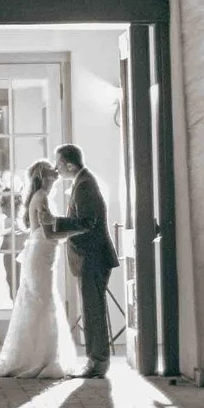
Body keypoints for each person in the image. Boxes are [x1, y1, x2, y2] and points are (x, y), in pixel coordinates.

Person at [0, 161, 80, 378]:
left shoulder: (40, 196)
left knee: (41, 301)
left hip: (43, 254)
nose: (56, 173)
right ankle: (40, 359)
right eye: (52, 172)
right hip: (41, 255)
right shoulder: (42, 197)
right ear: (44, 176)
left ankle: (39, 355)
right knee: (43, 301)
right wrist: (74, 232)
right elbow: (48, 233)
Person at [48, 143, 116, 378]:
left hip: (92, 257)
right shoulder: (83, 181)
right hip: (91, 258)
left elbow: (88, 222)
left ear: (68, 164)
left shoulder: (85, 184)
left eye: (58, 164)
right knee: (91, 310)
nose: (56, 169)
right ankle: (96, 361)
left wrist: (56, 222)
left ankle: (97, 363)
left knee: (92, 311)